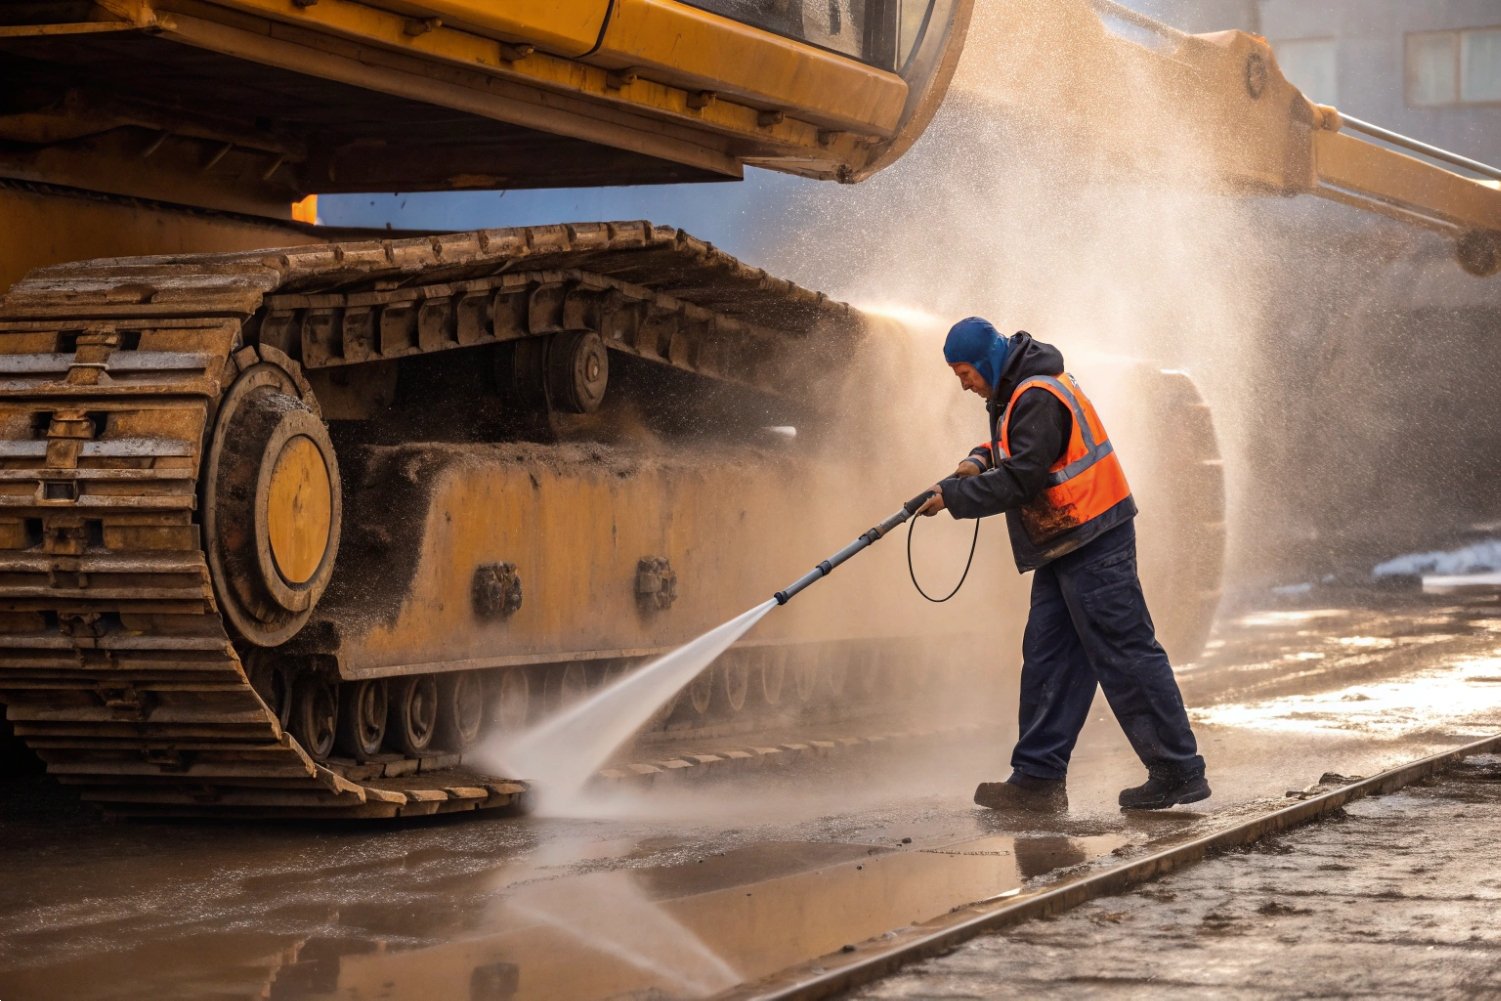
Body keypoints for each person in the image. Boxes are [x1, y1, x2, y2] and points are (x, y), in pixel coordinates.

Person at [917, 317, 1209, 812]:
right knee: (1050, 656)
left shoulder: (1036, 394)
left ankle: (1179, 770)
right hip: (1064, 540)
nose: (963, 384)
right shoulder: (1018, 391)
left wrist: (955, 496)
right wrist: (975, 459)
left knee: (1125, 652)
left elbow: (1024, 478)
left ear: (985, 360)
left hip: (1093, 536)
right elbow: (1016, 449)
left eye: (964, 372)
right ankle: (1037, 778)